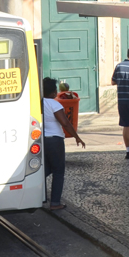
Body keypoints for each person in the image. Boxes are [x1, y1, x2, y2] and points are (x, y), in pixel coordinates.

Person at [42, 77, 85, 209]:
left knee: (46, 169)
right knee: (59, 171)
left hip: (42, 139)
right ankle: (55, 202)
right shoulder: (55, 104)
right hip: (55, 140)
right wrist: (77, 137)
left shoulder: (38, 103)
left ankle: (37, 194)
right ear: (54, 92)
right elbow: (65, 123)